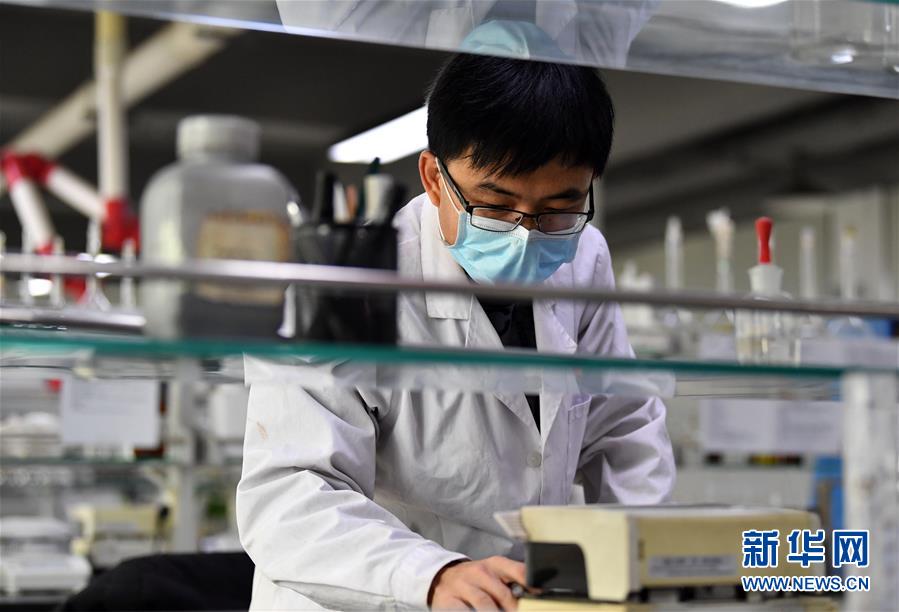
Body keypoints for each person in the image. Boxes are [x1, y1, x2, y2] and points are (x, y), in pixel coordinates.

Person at [236, 52, 674, 611]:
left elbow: (623, 429)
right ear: (434, 179)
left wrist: (640, 567)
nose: (526, 235)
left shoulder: (583, 256)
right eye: (495, 206)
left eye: (558, 210)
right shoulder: (347, 280)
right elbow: (289, 495)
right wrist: (431, 576)